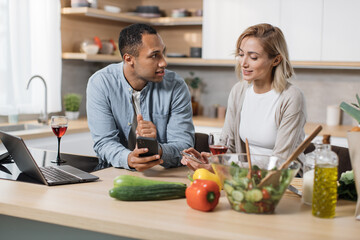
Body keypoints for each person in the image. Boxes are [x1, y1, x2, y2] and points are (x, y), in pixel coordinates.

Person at [182, 23, 307, 171]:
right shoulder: (239, 91)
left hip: (283, 180)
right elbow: (229, 145)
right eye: (241, 54)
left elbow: (280, 161)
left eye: (253, 57)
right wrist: (214, 160)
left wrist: (227, 166)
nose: (243, 63)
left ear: (276, 60)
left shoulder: (291, 97)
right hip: (244, 176)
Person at [87, 23, 195, 172]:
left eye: (163, 53)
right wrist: (129, 158)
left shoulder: (175, 86)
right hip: (113, 172)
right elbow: (104, 143)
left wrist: (158, 149)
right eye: (154, 55)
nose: (164, 62)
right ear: (129, 59)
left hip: (162, 173)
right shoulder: (101, 83)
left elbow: (184, 146)